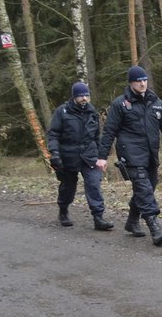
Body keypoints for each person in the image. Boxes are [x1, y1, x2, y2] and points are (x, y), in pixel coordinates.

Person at [96, 65, 162, 246]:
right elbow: (109, 131)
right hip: (131, 154)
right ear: (131, 83)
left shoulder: (156, 102)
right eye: (138, 81)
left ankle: (132, 221)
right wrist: (102, 156)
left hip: (151, 153)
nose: (143, 83)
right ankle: (155, 228)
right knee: (144, 190)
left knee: (148, 187)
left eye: (144, 80)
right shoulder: (120, 104)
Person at [47, 81, 114, 231]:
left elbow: (97, 136)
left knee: (93, 184)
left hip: (89, 156)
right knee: (68, 187)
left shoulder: (92, 113)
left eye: (86, 95)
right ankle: (63, 210)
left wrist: (101, 155)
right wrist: (55, 153)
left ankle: (98, 217)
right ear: (74, 97)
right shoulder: (62, 112)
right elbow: (53, 134)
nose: (84, 98)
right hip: (68, 156)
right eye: (80, 96)